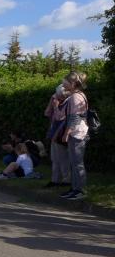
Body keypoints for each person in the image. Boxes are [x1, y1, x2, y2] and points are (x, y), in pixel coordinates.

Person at [59, 72, 89, 200]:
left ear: (72, 83)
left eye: (65, 82)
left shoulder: (75, 97)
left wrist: (66, 133)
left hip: (77, 133)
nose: (63, 84)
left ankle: (80, 190)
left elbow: (74, 117)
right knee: (74, 162)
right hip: (78, 132)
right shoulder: (77, 95)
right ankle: (74, 188)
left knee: (77, 163)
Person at [44, 84, 71, 188]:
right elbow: (47, 113)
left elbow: (61, 118)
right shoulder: (57, 101)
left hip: (61, 134)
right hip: (54, 133)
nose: (57, 97)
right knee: (54, 158)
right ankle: (55, 180)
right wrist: (51, 101)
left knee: (63, 158)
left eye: (59, 95)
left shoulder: (68, 103)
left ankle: (66, 180)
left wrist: (55, 106)